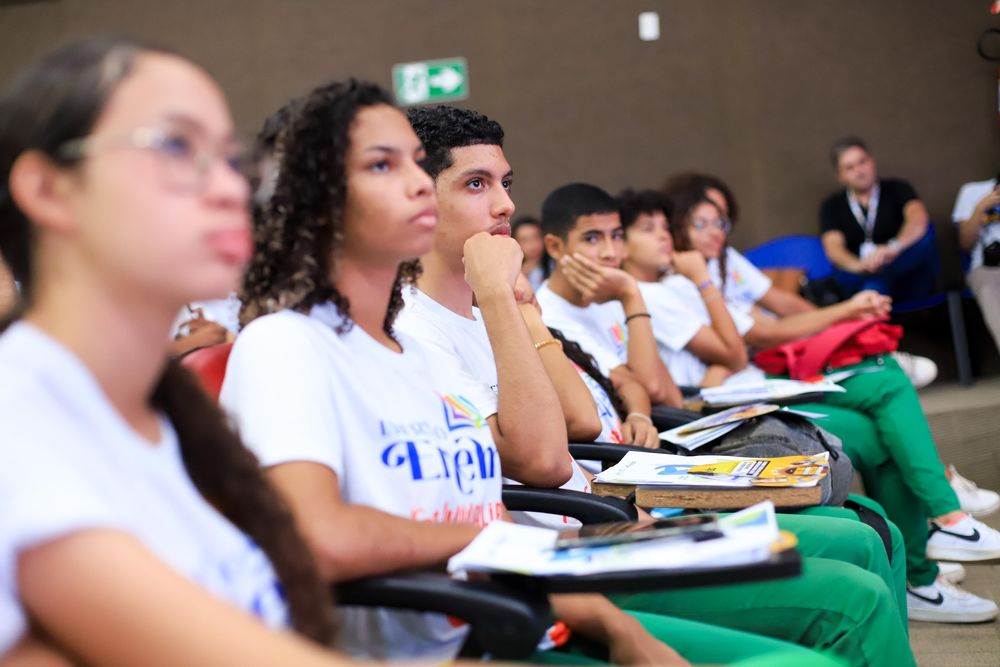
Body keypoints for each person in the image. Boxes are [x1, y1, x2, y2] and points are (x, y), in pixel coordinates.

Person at [220, 79, 847, 667]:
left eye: (417, 162)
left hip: (526, 610)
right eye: (385, 165)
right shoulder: (284, 345)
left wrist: (612, 624)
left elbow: (491, 522)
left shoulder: (398, 353)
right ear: (315, 203)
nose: (417, 184)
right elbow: (323, 536)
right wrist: (494, 546)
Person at [0, 36, 385, 667]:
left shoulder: (164, 417)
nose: (231, 189)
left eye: (232, 160)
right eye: (177, 146)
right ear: (48, 188)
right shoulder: (19, 417)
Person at [533, 183, 918, 667]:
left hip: (647, 472)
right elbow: (640, 400)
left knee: (870, 525)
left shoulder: (605, 300)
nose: (609, 252)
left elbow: (639, 386)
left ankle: (937, 535)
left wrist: (633, 404)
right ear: (554, 248)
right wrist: (631, 299)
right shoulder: (545, 315)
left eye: (614, 237)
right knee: (859, 552)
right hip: (623, 501)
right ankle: (939, 529)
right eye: (594, 239)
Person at [660, 176, 1000, 623]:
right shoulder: (666, 287)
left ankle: (930, 547)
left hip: (757, 381)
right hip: (737, 402)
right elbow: (737, 348)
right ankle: (941, 519)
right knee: (884, 389)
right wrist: (845, 312)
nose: (716, 231)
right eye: (699, 222)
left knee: (882, 403)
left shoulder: (715, 264)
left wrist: (839, 323)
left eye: (722, 220)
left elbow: (772, 315)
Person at [818, 136, 939, 304]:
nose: (859, 170)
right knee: (872, 283)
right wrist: (860, 266)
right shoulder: (832, 205)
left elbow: (918, 219)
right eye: (849, 167)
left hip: (904, 271)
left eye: (862, 162)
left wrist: (893, 248)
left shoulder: (897, 188)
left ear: (872, 161)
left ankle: (874, 283)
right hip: (859, 276)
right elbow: (833, 248)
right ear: (840, 176)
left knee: (927, 234)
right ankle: (873, 282)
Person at [952, 172, 1000, 356]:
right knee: (989, 287)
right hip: (987, 267)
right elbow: (965, 243)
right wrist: (981, 207)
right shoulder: (973, 191)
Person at [513, 215, 550, 289]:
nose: (532, 245)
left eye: (536, 237)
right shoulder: (513, 273)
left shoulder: (554, 266)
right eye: (525, 240)